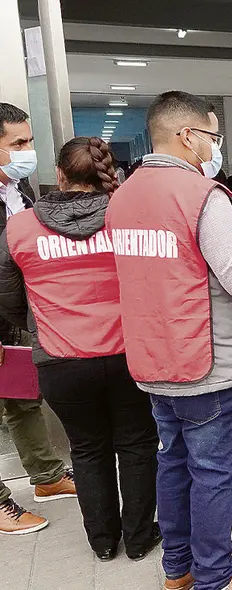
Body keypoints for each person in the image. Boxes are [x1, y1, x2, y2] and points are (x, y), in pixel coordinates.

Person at [106, 91, 232, 590]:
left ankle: (177, 570)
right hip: (207, 364)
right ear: (187, 136)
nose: (215, 147)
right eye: (214, 136)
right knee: (213, 474)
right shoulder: (203, 197)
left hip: (154, 360)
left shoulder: (124, 195)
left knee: (173, 465)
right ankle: (217, 578)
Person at [0, 137, 160, 560]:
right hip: (130, 356)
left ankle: (103, 543)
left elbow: (10, 297)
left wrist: (37, 325)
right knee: (137, 444)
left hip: (60, 360)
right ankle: (141, 538)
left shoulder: (18, 228)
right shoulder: (129, 219)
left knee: (86, 449)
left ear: (60, 174)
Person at [0, 102, 76, 536]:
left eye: (29, 140)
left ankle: (47, 478)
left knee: (23, 398)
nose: (29, 150)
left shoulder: (20, 188)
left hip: (14, 313)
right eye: (18, 143)